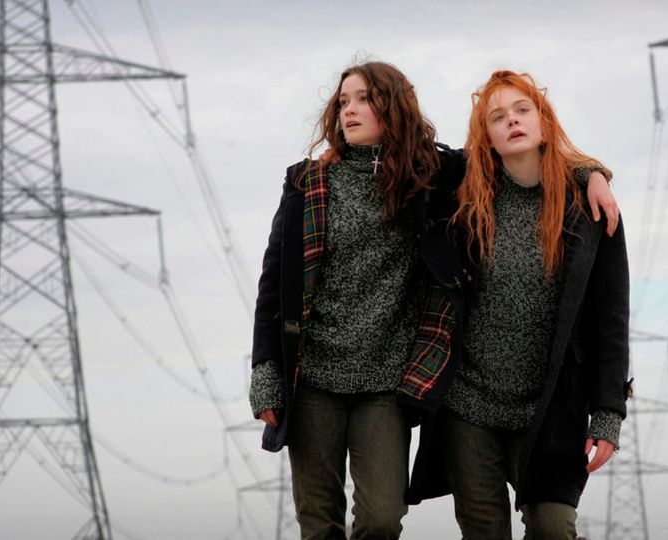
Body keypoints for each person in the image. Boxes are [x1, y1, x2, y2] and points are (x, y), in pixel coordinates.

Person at [249, 61, 621, 539]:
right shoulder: (308, 184)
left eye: (364, 99)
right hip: (314, 378)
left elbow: (515, 153)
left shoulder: (427, 177)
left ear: (394, 107)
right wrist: (266, 372)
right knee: (319, 524)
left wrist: (592, 172)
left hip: (389, 380)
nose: (350, 110)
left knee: (382, 518)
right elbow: (273, 286)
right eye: (343, 102)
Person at [406, 70, 631, 540]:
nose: (512, 121)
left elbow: (610, 319)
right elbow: (412, 156)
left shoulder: (587, 209)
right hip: (468, 406)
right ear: (485, 138)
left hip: (551, 410)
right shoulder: (464, 199)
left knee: (553, 527)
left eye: (522, 110)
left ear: (544, 122)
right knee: (483, 531)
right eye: (498, 117)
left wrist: (608, 413)